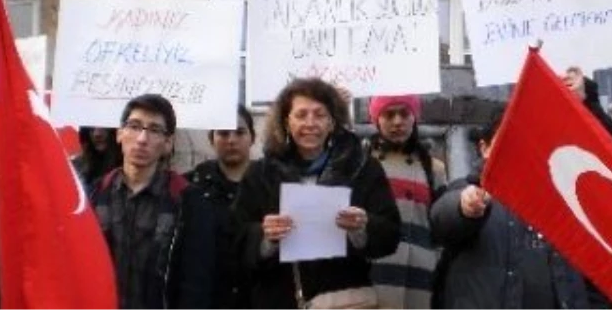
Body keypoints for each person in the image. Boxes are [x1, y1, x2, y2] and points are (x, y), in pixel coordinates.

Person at [234, 78, 401, 309]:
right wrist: (265, 237)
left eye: (320, 115)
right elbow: (236, 237)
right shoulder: (260, 174)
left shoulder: (362, 168)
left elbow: (391, 233)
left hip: (344, 299)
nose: (310, 123)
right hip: (279, 299)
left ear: (332, 123)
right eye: (301, 115)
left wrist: (363, 228)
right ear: (286, 122)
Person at [430, 106, 611, 310]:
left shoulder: (566, 205)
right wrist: (464, 207)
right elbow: (441, 219)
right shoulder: (470, 189)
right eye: (508, 139)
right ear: (485, 148)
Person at [91, 94, 217, 310]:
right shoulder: (94, 195)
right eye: (134, 126)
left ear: (168, 143)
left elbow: (196, 284)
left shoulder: (188, 201)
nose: (142, 139)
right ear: (119, 134)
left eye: (154, 130)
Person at [364, 95, 447, 310]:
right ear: (376, 119)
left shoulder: (434, 168)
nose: (398, 121)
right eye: (389, 114)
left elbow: (441, 230)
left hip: (419, 282)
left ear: (415, 117)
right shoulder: (361, 163)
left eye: (404, 113)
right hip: (370, 281)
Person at [186, 104, 256, 310]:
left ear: (253, 137)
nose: (231, 140)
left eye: (240, 132)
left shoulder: (270, 184)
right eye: (223, 133)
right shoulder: (192, 188)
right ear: (211, 139)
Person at [564, 66, 612, 151]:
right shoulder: (567, 116)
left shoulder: (597, 116)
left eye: (571, 84)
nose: (569, 88)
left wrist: (582, 93)